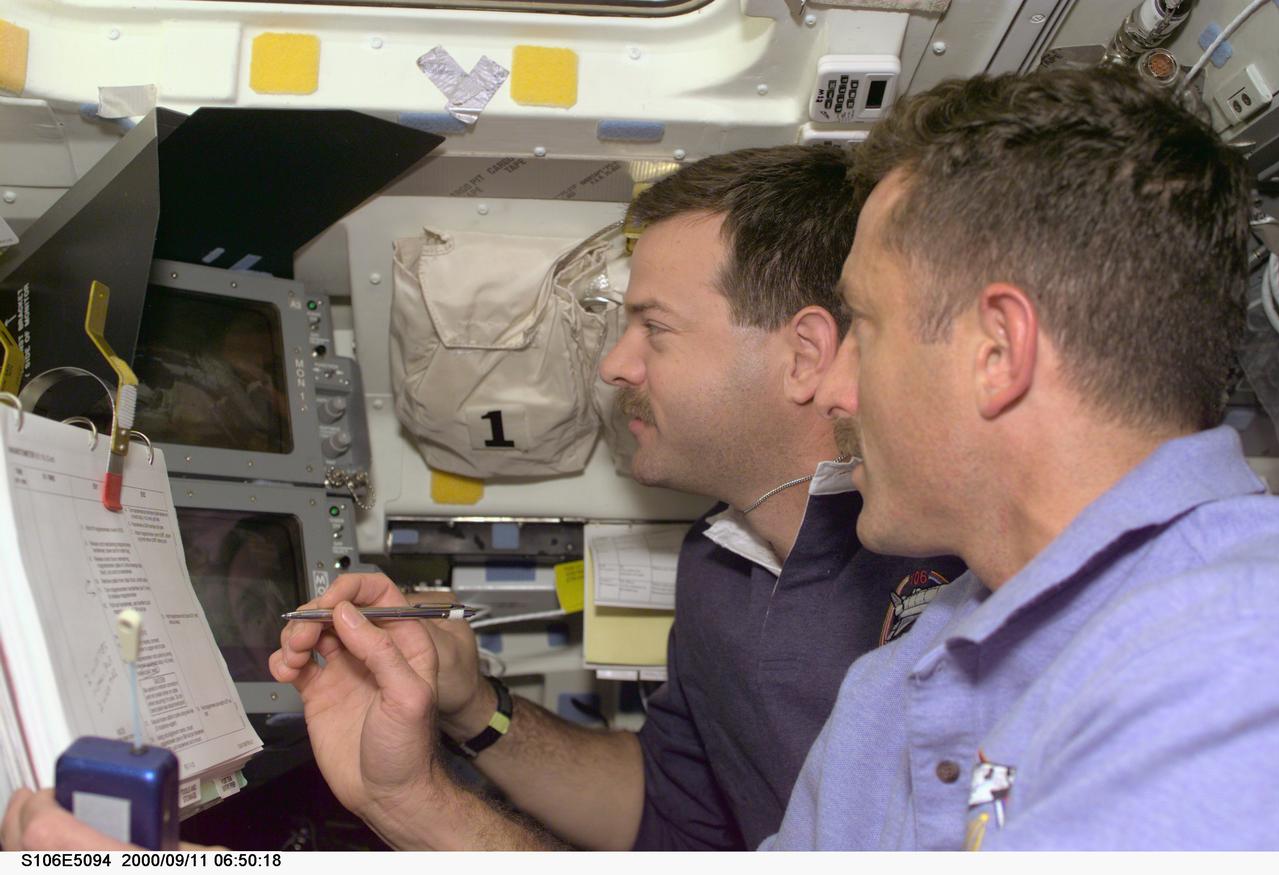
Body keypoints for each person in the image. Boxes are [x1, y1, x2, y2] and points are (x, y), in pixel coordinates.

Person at [0, 146, 963, 851]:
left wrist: (415, 803)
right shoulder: (720, 564)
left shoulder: (943, 589)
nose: (616, 365)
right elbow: (665, 813)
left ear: (803, 354)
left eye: (654, 328)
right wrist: (473, 705)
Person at [761, 66, 1279, 849]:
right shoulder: (894, 684)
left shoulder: (1241, 657)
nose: (831, 391)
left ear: (998, 353)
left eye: (863, 326)